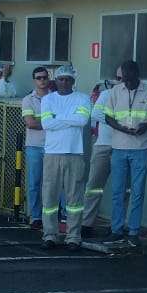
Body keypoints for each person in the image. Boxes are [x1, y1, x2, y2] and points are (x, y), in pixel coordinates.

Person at [100, 60, 147, 246]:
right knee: (117, 191)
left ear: (136, 75)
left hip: (140, 148)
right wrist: (121, 128)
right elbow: (107, 117)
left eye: (129, 79)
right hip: (119, 147)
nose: (126, 82)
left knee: (137, 191)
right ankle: (116, 229)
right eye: (123, 78)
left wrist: (146, 126)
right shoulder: (115, 91)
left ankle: (134, 231)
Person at [39, 64, 92, 249]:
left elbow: (82, 120)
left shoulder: (83, 98)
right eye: (61, 79)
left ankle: (73, 237)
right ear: (56, 81)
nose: (64, 82)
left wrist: (58, 118)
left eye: (68, 79)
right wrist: (69, 118)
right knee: (49, 198)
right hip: (52, 153)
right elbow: (46, 124)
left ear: (73, 81)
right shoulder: (47, 99)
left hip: (74, 153)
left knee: (74, 199)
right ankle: (49, 235)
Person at [81, 69, 120, 238]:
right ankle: (86, 223)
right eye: (118, 78)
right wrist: (118, 124)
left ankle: (117, 226)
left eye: (123, 78)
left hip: (123, 147)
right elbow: (96, 113)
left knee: (122, 189)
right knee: (94, 186)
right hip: (103, 145)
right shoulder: (106, 95)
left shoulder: (133, 97)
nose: (121, 81)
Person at [19, 65, 52, 229]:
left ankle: (51, 216)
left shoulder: (55, 98)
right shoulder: (28, 100)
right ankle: (35, 216)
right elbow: (30, 123)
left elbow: (37, 122)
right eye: (39, 78)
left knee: (52, 183)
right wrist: (52, 123)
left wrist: (45, 122)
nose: (42, 80)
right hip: (34, 146)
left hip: (53, 146)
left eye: (45, 77)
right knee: (34, 183)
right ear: (34, 80)